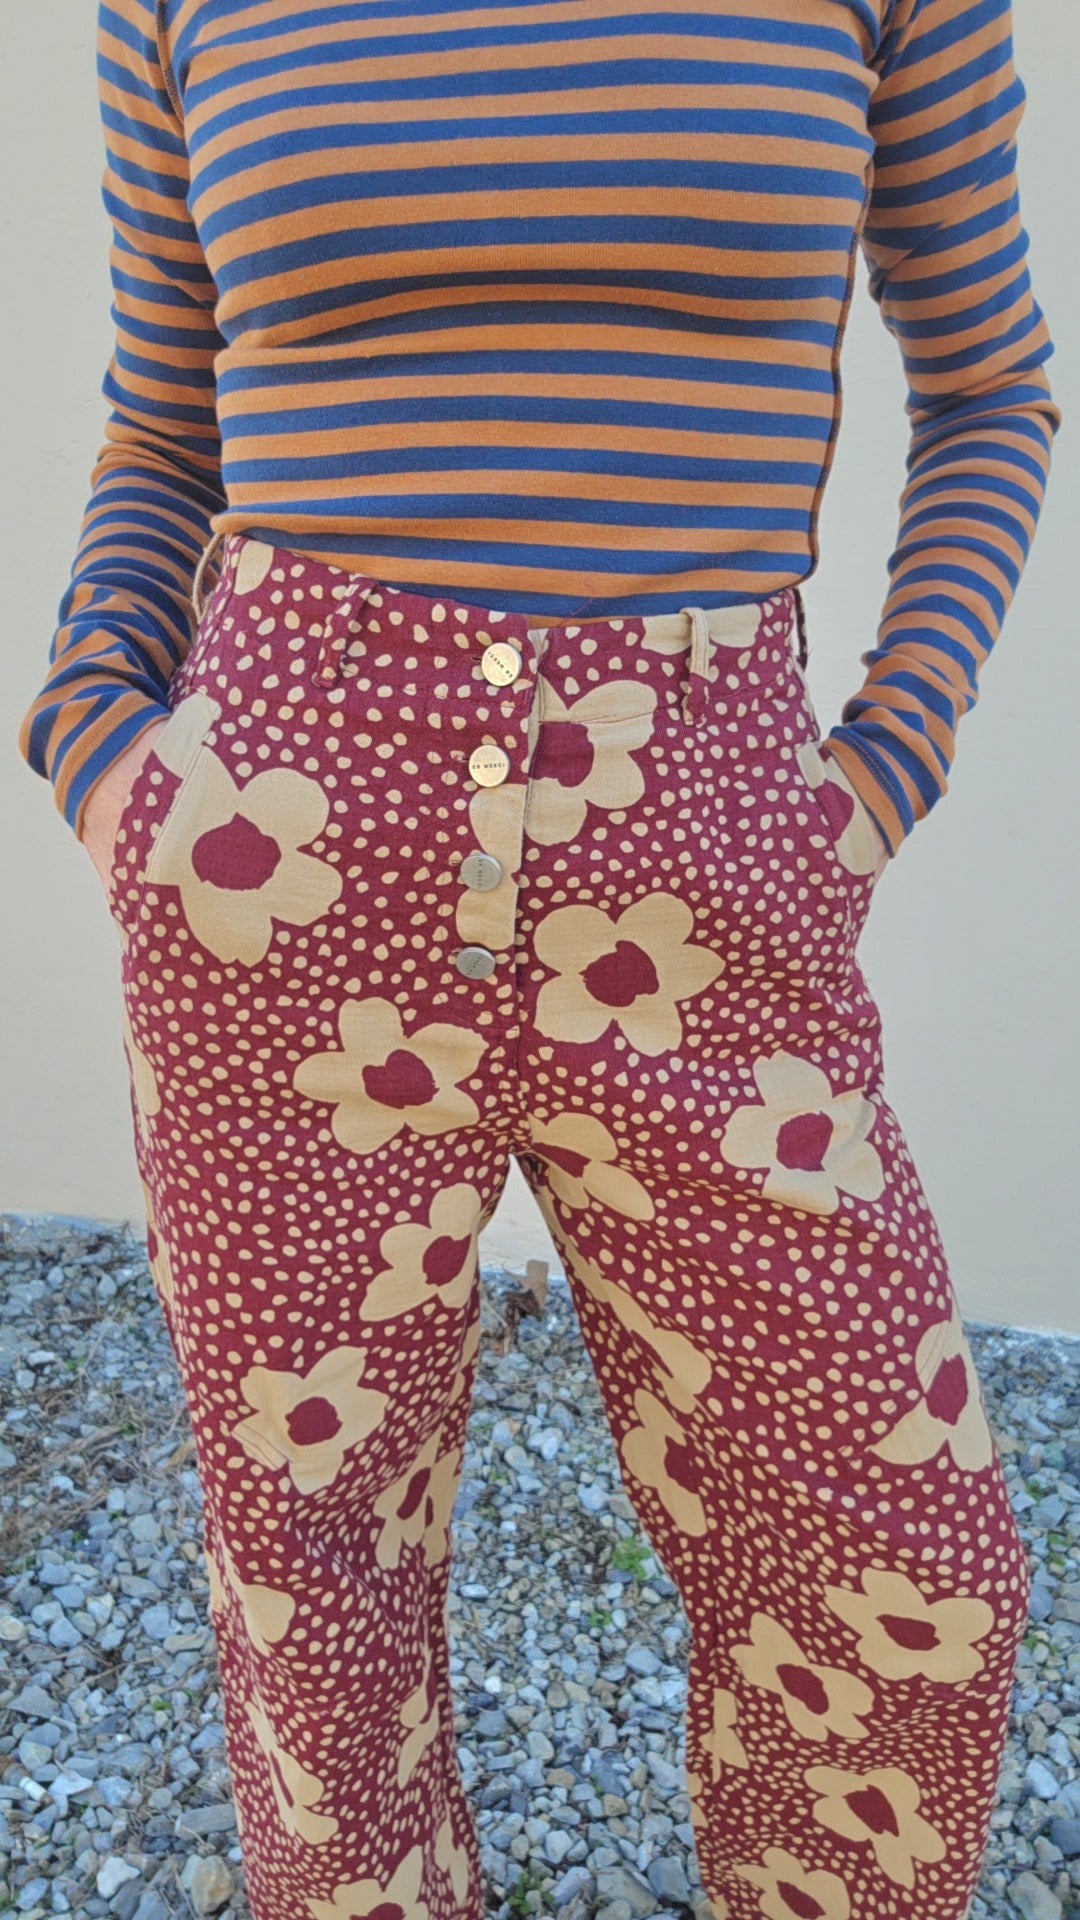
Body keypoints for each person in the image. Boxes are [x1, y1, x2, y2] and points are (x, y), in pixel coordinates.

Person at [17, 2, 1062, 1917]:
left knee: (905, 1573)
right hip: (285, 871)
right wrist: (93, 735)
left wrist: (876, 766)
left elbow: (995, 387)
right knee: (311, 1570)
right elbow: (166, 420)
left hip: (711, 875)